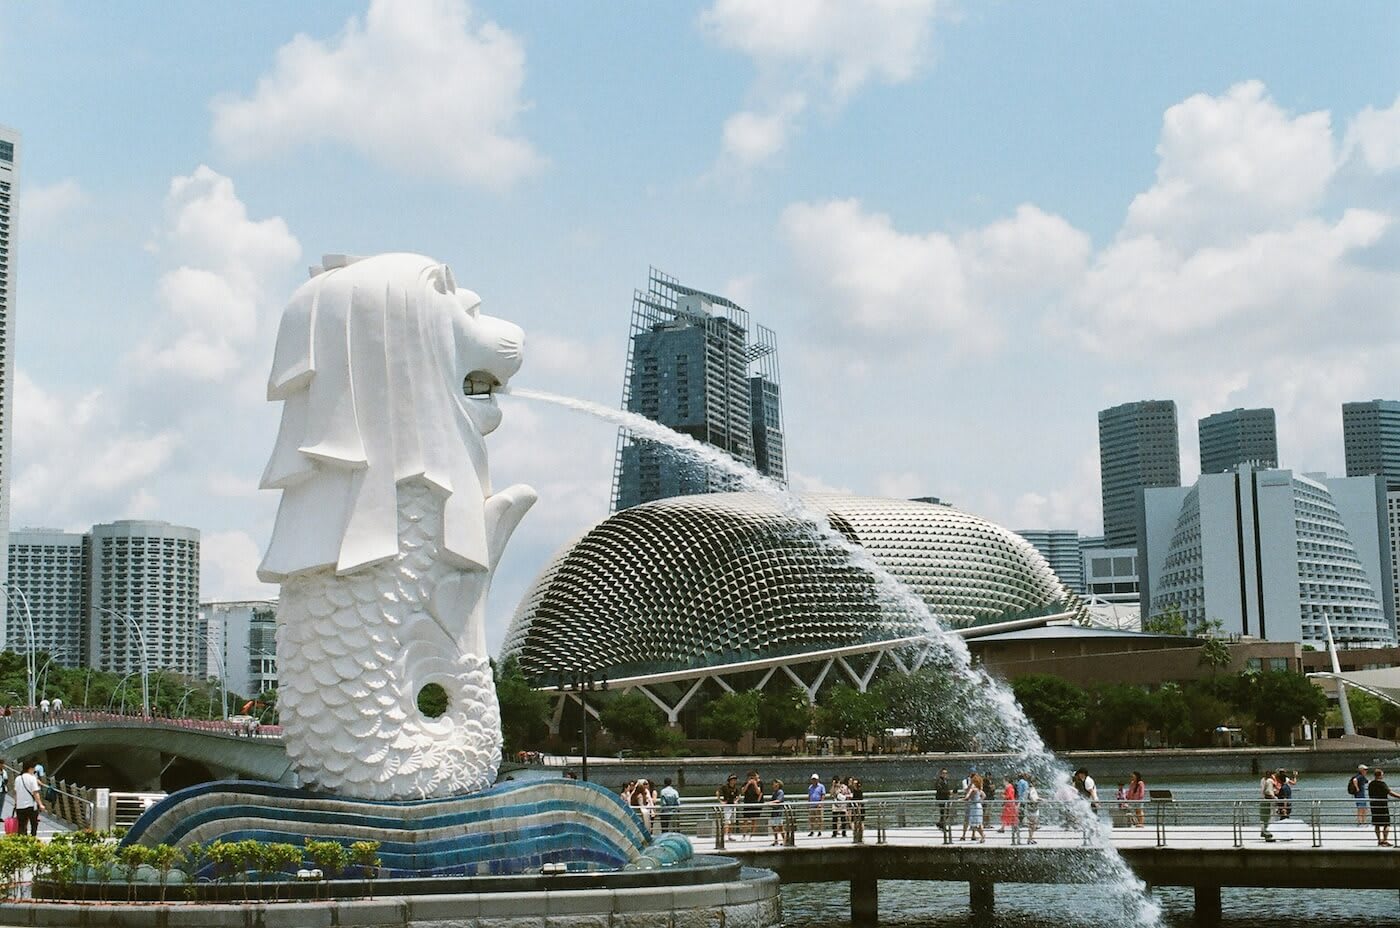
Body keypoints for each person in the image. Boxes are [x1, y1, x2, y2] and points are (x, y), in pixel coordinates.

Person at [13, 759, 43, 837]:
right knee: (34, 824)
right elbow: (35, 793)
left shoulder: (18, 778)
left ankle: (22, 840)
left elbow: (16, 793)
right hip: (31, 806)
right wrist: (40, 804)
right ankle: (32, 838)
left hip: (20, 806)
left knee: (21, 825)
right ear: (30, 768)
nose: (34, 770)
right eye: (34, 768)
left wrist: (16, 804)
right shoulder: (32, 778)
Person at [1368, 768, 1398, 847]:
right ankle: (1385, 840)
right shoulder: (1382, 784)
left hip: (1374, 805)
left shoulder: (1371, 784)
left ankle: (1379, 840)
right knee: (1386, 824)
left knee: (1377, 824)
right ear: (1380, 775)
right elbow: (1390, 792)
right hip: (1382, 806)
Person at [741, 771, 764, 840]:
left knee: (754, 820)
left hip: (755, 803)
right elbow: (742, 791)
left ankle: (751, 836)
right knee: (745, 820)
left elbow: (758, 792)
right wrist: (748, 784)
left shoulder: (759, 783)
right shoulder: (745, 783)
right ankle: (744, 835)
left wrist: (754, 784)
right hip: (747, 803)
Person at [964, 773, 986, 843]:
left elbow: (967, 797)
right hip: (979, 806)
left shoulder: (973, 789)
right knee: (979, 823)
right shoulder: (979, 789)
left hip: (974, 807)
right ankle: (982, 837)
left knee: (974, 824)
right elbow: (984, 796)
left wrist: (961, 799)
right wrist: (979, 801)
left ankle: (983, 835)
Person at [717, 775, 740, 841]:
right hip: (727, 805)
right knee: (727, 821)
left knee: (732, 821)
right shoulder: (725, 787)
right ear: (729, 780)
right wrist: (720, 801)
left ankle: (730, 835)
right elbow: (717, 792)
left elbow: (739, 795)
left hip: (733, 805)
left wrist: (736, 800)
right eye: (733, 779)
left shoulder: (735, 788)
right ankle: (725, 835)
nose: (734, 781)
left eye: (735, 780)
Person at [934, 768, 954, 844]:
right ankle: (942, 825)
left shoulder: (945, 781)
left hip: (946, 799)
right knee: (943, 813)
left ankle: (940, 824)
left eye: (946, 773)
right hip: (941, 799)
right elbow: (939, 790)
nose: (945, 774)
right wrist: (948, 792)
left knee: (946, 813)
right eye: (943, 773)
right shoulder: (939, 781)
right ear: (940, 774)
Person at [1258, 769, 1277, 842]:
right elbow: (1268, 792)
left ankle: (1264, 832)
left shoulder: (1263, 780)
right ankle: (1267, 834)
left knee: (1263, 817)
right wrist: (1274, 798)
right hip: (1268, 801)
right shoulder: (1270, 781)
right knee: (1269, 817)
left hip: (1262, 800)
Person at [1000, 775, 1019, 843]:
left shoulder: (1008, 787)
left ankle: (1004, 828)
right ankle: (1013, 828)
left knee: (1005, 816)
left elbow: (1008, 796)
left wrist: (1003, 796)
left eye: (1003, 780)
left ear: (1006, 781)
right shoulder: (1011, 786)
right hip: (1012, 803)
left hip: (1009, 804)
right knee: (1010, 816)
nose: (1003, 782)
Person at [767, 779, 786, 846]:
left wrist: (771, 802)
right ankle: (776, 840)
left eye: (775, 784)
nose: (773, 785)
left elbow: (778, 800)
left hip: (779, 812)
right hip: (774, 811)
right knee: (773, 826)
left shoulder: (780, 792)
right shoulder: (774, 792)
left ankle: (785, 840)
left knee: (780, 827)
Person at [1024, 776, 1041, 845]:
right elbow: (1033, 799)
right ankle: (1030, 839)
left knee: (1031, 824)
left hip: (1029, 808)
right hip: (1033, 809)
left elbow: (1027, 797)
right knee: (1033, 824)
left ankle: (1031, 838)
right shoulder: (1032, 789)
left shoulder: (1028, 789)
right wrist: (1040, 800)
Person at [849, 777, 865, 842]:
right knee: (854, 822)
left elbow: (860, 801)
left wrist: (859, 809)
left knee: (860, 822)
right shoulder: (853, 791)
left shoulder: (859, 791)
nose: (853, 784)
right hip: (854, 808)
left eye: (855, 783)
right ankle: (855, 836)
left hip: (859, 808)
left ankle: (860, 836)